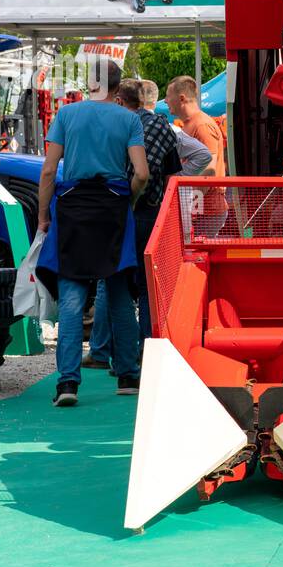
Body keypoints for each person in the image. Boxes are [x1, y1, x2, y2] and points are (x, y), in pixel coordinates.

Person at [36, 60, 148, 407]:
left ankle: (68, 383)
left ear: (89, 84)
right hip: (113, 208)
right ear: (117, 87)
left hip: (72, 210)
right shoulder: (129, 119)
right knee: (117, 294)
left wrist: (43, 215)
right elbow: (141, 173)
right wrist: (127, 201)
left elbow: (49, 170)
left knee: (71, 299)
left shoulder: (67, 116)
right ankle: (128, 375)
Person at [85, 80, 180, 362]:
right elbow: (172, 172)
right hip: (150, 215)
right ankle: (147, 349)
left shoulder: (110, 127)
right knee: (148, 284)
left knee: (112, 282)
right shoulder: (162, 126)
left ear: (118, 101)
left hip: (116, 210)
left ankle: (103, 350)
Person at [166, 75, 225, 176]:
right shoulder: (190, 123)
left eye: (168, 96)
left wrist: (193, 192)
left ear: (181, 99)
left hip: (204, 192)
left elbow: (209, 171)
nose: (165, 100)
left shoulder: (202, 125)